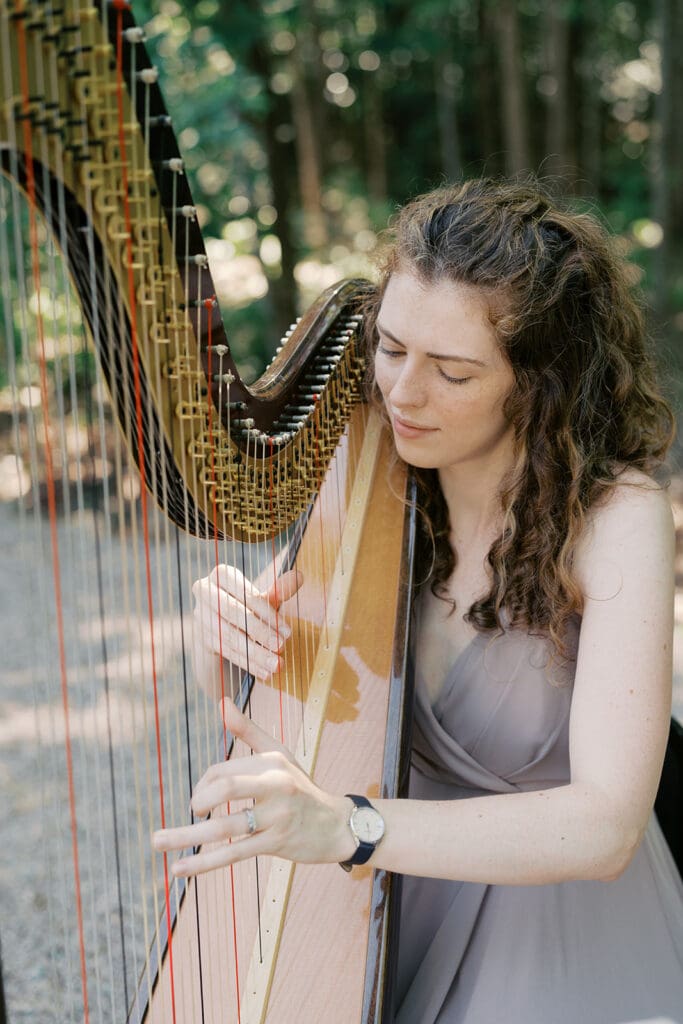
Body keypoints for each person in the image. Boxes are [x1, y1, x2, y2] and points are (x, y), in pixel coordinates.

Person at [153, 177, 683, 1023]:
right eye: (391, 348)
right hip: (394, 904)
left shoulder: (615, 520)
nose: (402, 392)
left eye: (452, 371)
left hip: (557, 938)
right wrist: (223, 636)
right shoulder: (370, 472)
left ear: (537, 382)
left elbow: (605, 826)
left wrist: (351, 828)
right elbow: (295, 715)